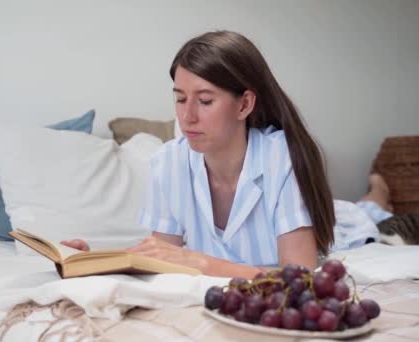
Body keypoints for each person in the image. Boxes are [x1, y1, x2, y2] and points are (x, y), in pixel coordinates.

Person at [62, 30, 334, 278]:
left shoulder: (281, 157)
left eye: (205, 101)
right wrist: (95, 260)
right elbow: (162, 258)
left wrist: (199, 262)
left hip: (324, 235)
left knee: (358, 224)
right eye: (180, 99)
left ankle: (377, 192)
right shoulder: (168, 162)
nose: (187, 116)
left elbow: (300, 277)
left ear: (245, 105)